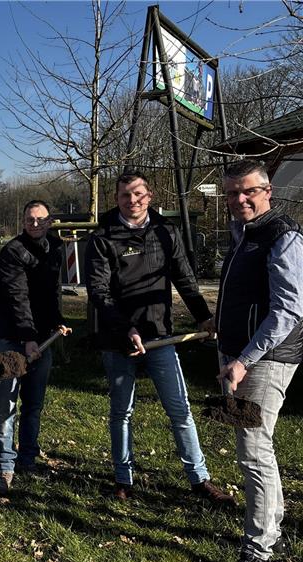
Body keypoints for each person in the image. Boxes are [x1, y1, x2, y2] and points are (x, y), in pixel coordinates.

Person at [85, 171, 233, 504]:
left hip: (160, 336)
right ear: (116, 199)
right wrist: (126, 328)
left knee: (180, 410)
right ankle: (124, 479)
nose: (132, 200)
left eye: (138, 193)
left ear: (149, 196)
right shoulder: (103, 238)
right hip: (118, 340)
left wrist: (203, 317)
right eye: (125, 195)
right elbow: (98, 290)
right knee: (121, 411)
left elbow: (185, 279)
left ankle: (199, 479)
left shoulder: (166, 232)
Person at [216, 160, 302, 562]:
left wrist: (244, 359)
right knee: (255, 448)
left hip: (264, 361)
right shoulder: (243, 234)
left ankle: (259, 551)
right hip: (237, 357)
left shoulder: (282, 235)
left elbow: (288, 310)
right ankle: (274, 530)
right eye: (231, 193)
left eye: (247, 191)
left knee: (253, 453)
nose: (239, 200)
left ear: (268, 190)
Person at [0, 200, 69, 495]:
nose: (35, 224)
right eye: (29, 219)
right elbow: (17, 296)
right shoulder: (12, 252)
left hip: (40, 338)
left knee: (33, 404)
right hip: (9, 338)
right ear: (23, 221)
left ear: (50, 222)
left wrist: (57, 320)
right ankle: (5, 466)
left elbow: (53, 292)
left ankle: (27, 459)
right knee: (6, 406)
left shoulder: (55, 249)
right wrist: (27, 338)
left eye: (41, 220)